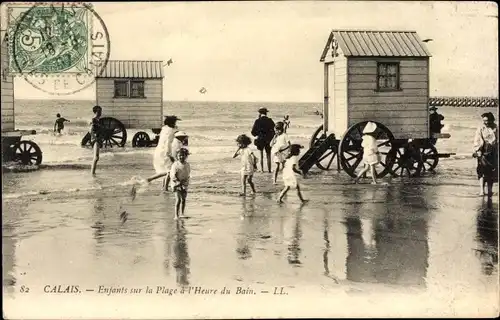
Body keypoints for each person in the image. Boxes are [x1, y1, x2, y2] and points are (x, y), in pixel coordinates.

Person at [148, 115, 181, 190]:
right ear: (172, 123)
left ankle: (164, 186)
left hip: (159, 151)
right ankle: (150, 180)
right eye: (174, 122)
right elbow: (168, 143)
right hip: (165, 152)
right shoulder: (170, 131)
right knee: (170, 170)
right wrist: (169, 155)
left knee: (167, 170)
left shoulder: (164, 129)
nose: (175, 124)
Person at [473, 112, 498, 197]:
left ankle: (490, 190)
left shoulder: (496, 127)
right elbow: (477, 139)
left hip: (493, 152)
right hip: (482, 151)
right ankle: (481, 191)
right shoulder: (481, 128)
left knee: (491, 172)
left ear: (491, 120)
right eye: (484, 121)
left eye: (487, 120)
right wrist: (477, 150)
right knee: (481, 171)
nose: (486, 122)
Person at [251, 107, 275, 173]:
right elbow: (274, 130)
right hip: (268, 140)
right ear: (266, 113)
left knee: (261, 155)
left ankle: (262, 170)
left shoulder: (257, 121)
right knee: (268, 155)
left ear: (259, 113)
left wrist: (258, 134)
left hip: (260, 139)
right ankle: (269, 170)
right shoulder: (270, 120)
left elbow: (253, 132)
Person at [170, 148, 191, 219]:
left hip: (184, 184)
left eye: (183, 155)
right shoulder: (175, 165)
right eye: (179, 155)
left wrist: (185, 182)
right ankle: (176, 215)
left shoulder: (187, 164)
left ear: (186, 156)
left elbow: (188, 174)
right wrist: (177, 182)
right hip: (176, 184)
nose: (181, 157)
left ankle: (182, 213)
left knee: (184, 199)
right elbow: (172, 175)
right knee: (178, 200)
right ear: (177, 156)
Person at [89, 105, 102, 175]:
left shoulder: (98, 120)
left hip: (98, 139)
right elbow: (90, 130)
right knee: (96, 157)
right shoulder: (93, 119)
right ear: (95, 112)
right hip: (95, 139)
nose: (100, 113)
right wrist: (94, 138)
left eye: (101, 111)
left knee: (97, 157)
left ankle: (93, 173)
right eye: (99, 111)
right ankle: (92, 173)